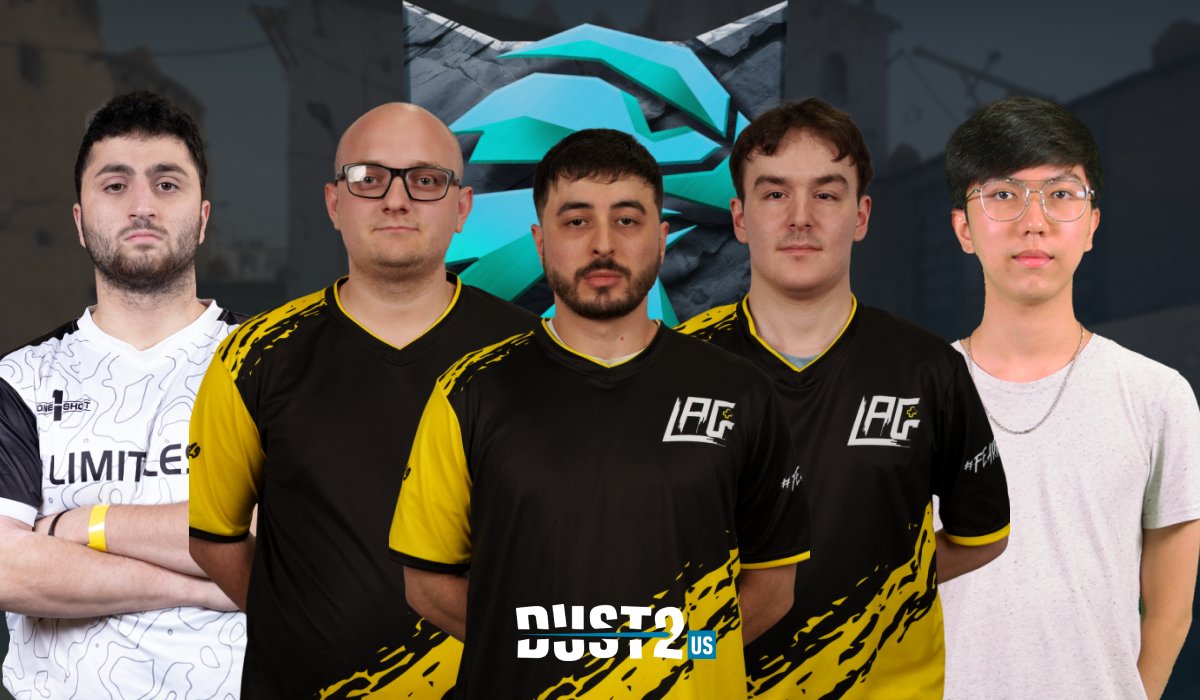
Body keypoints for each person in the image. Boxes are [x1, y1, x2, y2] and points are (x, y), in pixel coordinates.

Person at [391, 128, 810, 698]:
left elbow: (774, 585)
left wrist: (673, 652)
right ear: (541, 241)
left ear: (661, 239)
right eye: (576, 221)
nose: (603, 245)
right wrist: (540, 651)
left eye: (628, 220)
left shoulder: (742, 392)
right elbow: (426, 582)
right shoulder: (469, 390)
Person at [187, 102, 534, 698]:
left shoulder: (534, 355)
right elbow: (214, 539)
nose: (396, 200)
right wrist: (296, 625)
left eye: (425, 180)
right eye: (368, 178)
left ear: (461, 208)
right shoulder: (253, 356)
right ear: (334, 203)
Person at [677, 98, 1011, 698]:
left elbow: (983, 534)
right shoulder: (674, 367)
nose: (800, 218)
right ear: (740, 218)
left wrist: (873, 587)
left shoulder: (928, 368)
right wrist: (698, 645)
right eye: (774, 194)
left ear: (860, 216)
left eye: (826, 194)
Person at [938, 96, 1200, 700]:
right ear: (963, 229)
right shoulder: (909, 396)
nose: (1034, 221)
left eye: (1061, 194)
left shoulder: (1157, 396)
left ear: (1092, 225)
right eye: (1003, 194)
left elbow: (1171, 610)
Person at [0, 91, 244, 698]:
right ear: (79, 221)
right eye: (115, 185)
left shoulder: (270, 360)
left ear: (203, 218)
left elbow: (291, 538)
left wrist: (78, 526)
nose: (142, 205)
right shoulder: (20, 379)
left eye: (167, 184)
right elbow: (7, 567)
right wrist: (198, 585)